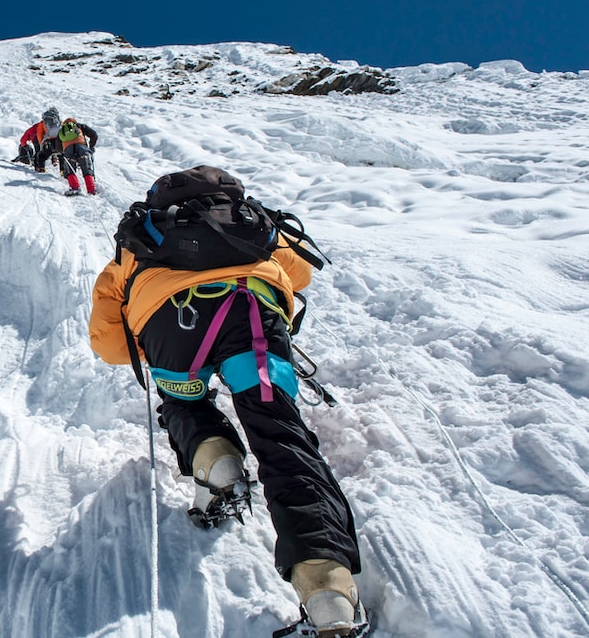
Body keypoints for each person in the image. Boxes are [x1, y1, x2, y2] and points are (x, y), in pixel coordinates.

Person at [88, 168, 366, 637]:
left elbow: (111, 345)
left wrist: (149, 342)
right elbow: (298, 275)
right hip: (252, 314)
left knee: (186, 404)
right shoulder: (248, 220)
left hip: (171, 324)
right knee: (279, 431)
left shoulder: (140, 238)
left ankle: (215, 463)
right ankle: (327, 593)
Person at [51, 117, 99, 196]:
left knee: (70, 170)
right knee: (87, 168)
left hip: (68, 150)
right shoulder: (79, 126)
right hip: (82, 148)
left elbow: (58, 147)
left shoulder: (61, 131)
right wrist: (91, 147)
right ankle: (91, 190)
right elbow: (94, 135)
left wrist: (64, 151)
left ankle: (74, 188)